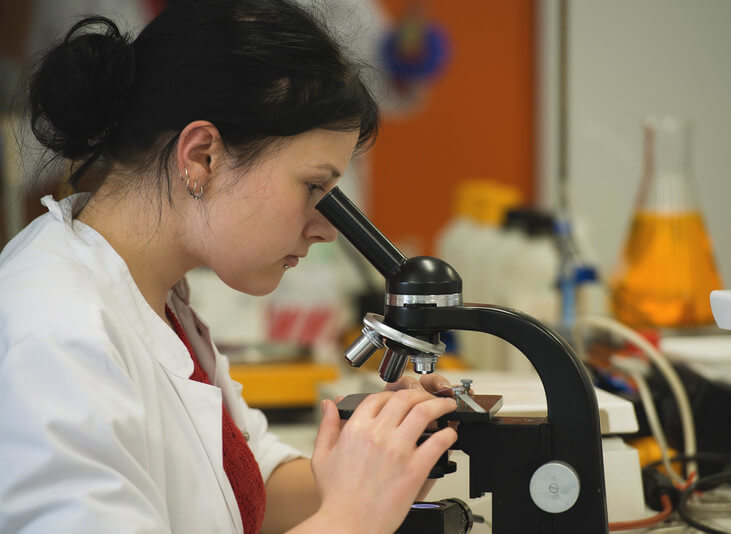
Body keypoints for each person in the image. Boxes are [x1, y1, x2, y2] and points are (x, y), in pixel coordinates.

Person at [0, 1, 459, 533]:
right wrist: (350, 519)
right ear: (202, 157)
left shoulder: (156, 300)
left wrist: (383, 465)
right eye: (314, 187)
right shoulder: (55, 335)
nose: (327, 228)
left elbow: (251, 493)